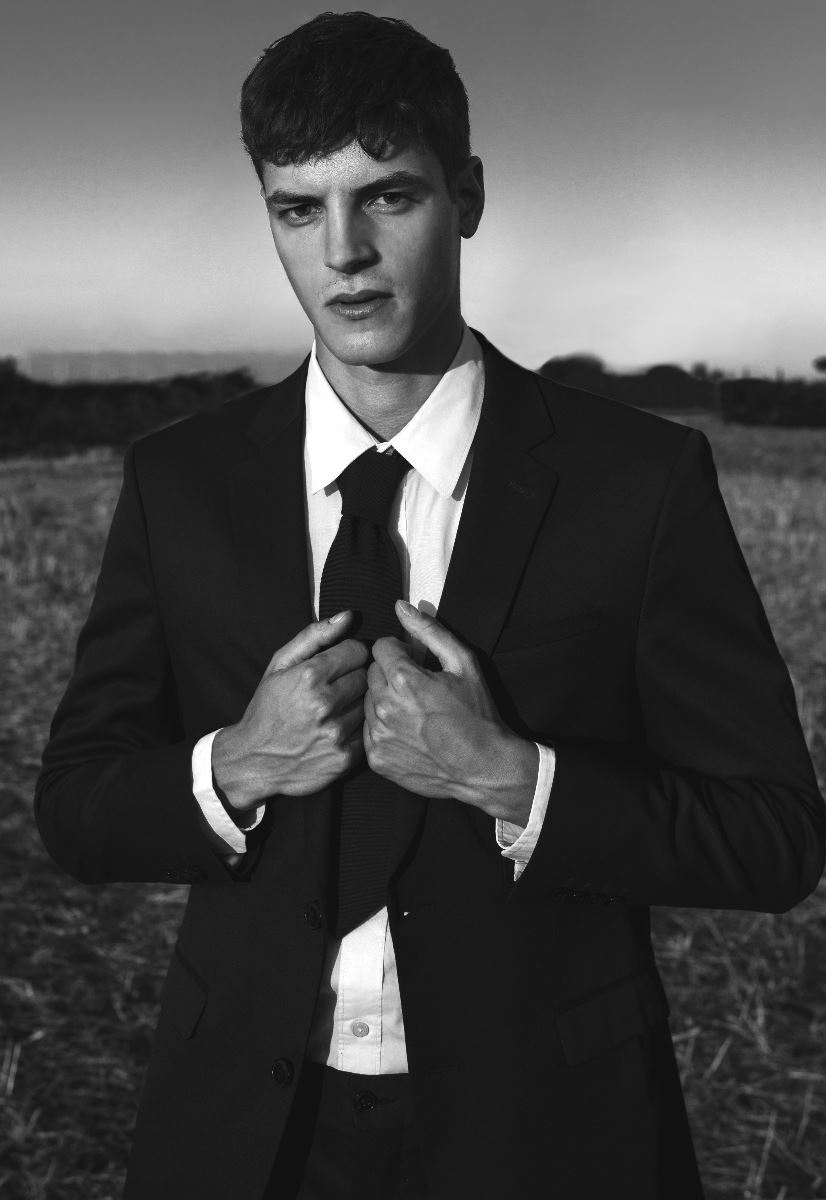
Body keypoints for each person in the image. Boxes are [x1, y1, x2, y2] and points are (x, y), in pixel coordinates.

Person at [36, 12, 825, 1200]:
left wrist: (515, 780)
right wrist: (234, 766)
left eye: (387, 196)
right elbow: (76, 807)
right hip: (245, 1132)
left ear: (468, 196)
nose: (343, 252)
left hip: (548, 1133)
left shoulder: (639, 480)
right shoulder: (177, 480)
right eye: (297, 210)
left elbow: (772, 838)